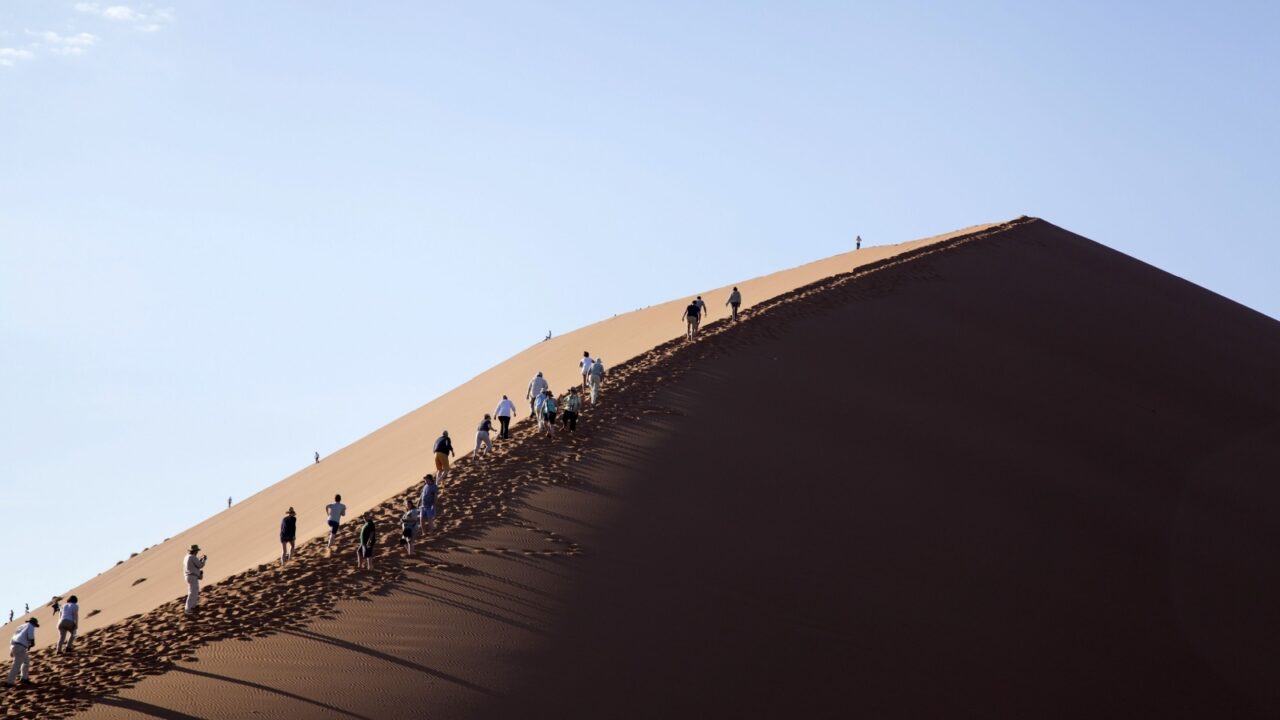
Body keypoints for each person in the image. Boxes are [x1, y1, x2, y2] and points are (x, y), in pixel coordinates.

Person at [5, 617, 37, 687]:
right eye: (35, 625)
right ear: (33, 623)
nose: (35, 626)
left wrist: (12, 649)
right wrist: (32, 642)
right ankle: (9, 682)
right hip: (20, 647)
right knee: (16, 664)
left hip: (15, 645)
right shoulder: (30, 625)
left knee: (26, 661)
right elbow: (30, 636)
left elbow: (14, 637)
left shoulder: (21, 626)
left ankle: (24, 678)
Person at [183, 545, 207, 615]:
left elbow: (193, 565)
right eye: (197, 551)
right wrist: (204, 560)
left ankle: (192, 607)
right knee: (193, 592)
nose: (197, 552)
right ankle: (188, 609)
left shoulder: (186, 557)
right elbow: (200, 565)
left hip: (188, 576)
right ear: (195, 551)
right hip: (192, 576)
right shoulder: (192, 557)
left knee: (193, 591)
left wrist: (199, 559)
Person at [419, 474, 439, 540]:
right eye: (425, 479)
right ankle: (424, 533)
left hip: (429, 506)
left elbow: (435, 497)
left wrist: (434, 505)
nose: (425, 480)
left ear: (430, 479)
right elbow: (422, 495)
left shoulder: (434, 487)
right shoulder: (425, 486)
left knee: (430, 520)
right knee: (421, 520)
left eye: (426, 479)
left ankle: (431, 534)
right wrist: (418, 503)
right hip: (423, 506)